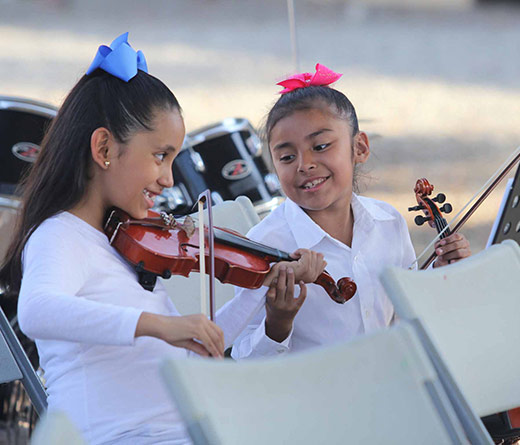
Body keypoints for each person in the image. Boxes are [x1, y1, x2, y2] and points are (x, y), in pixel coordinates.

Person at [0, 33, 323, 444]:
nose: (168, 179)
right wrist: (158, 325)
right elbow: (36, 311)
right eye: (160, 155)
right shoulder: (60, 234)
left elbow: (187, 353)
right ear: (104, 148)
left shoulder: (120, 244)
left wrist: (261, 291)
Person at [231, 64, 471, 359]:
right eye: (287, 156)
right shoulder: (265, 246)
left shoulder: (388, 221)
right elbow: (242, 361)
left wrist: (439, 274)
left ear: (359, 148)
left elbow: (406, 313)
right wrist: (277, 324)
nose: (304, 164)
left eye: (320, 146)